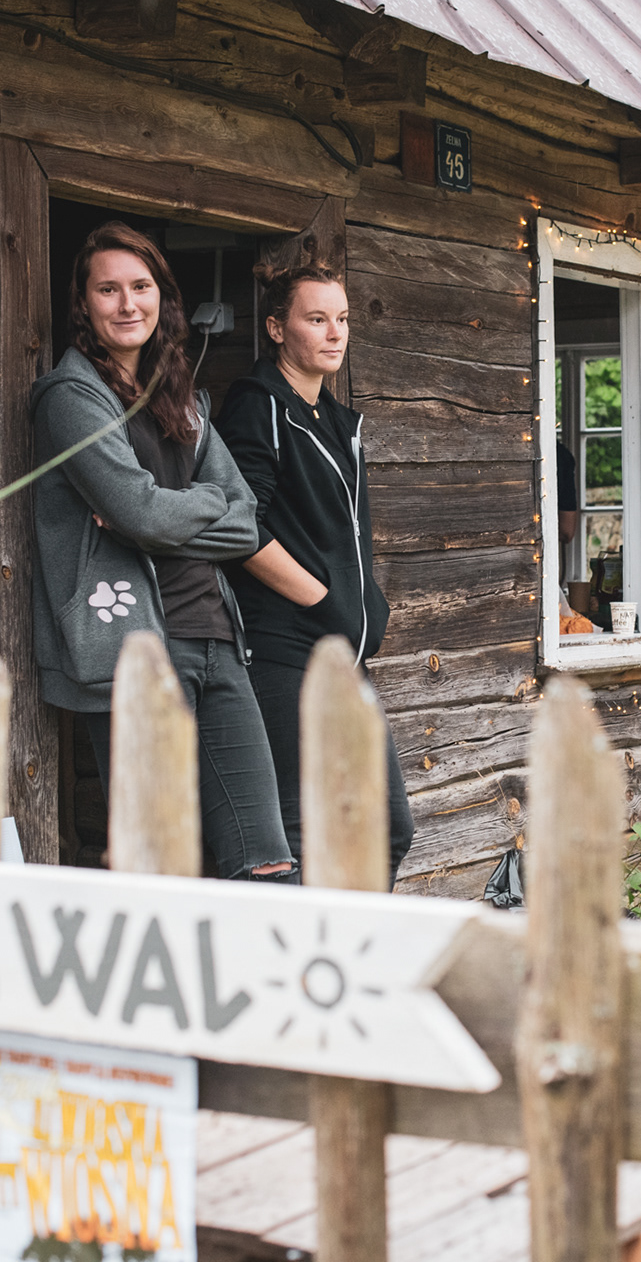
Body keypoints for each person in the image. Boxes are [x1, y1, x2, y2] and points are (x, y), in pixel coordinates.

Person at [31, 222, 295, 880]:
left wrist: (154, 516)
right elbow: (140, 510)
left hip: (217, 639)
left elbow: (244, 520)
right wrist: (177, 507)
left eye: (141, 287)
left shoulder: (181, 400)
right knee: (156, 865)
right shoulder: (71, 398)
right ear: (84, 303)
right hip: (137, 649)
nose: (127, 304)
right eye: (108, 290)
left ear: (162, 297)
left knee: (266, 861)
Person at [219, 263, 415, 880]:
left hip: (342, 656)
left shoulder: (331, 418)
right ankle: (308, 942)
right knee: (301, 834)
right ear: (277, 328)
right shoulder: (258, 408)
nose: (335, 333)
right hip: (285, 652)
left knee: (388, 830)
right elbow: (240, 528)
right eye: (317, 319)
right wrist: (323, 599)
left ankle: (353, 939)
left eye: (343, 319)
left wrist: (366, 605)